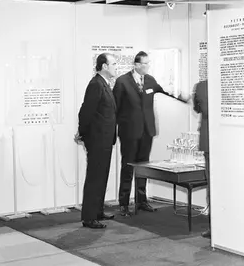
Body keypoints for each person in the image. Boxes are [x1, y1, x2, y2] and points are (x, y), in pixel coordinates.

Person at [114, 51, 186, 216]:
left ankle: (141, 201)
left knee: (143, 167)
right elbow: (115, 107)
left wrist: (185, 98)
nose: (148, 66)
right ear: (136, 65)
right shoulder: (122, 81)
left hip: (147, 131)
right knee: (128, 167)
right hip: (129, 132)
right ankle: (124, 203)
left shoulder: (150, 80)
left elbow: (167, 91)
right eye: (145, 63)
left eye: (148, 63)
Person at [78, 53, 117, 229]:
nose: (116, 67)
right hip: (97, 139)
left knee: (102, 176)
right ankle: (89, 217)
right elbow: (86, 111)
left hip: (105, 139)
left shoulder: (104, 84)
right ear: (104, 66)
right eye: (113, 64)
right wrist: (83, 134)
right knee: (95, 178)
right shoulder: (96, 84)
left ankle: (98, 211)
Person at [192, 79, 210, 238]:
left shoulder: (201, 86)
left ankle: (214, 227)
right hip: (225, 141)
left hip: (209, 139)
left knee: (212, 183)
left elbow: (199, 108)